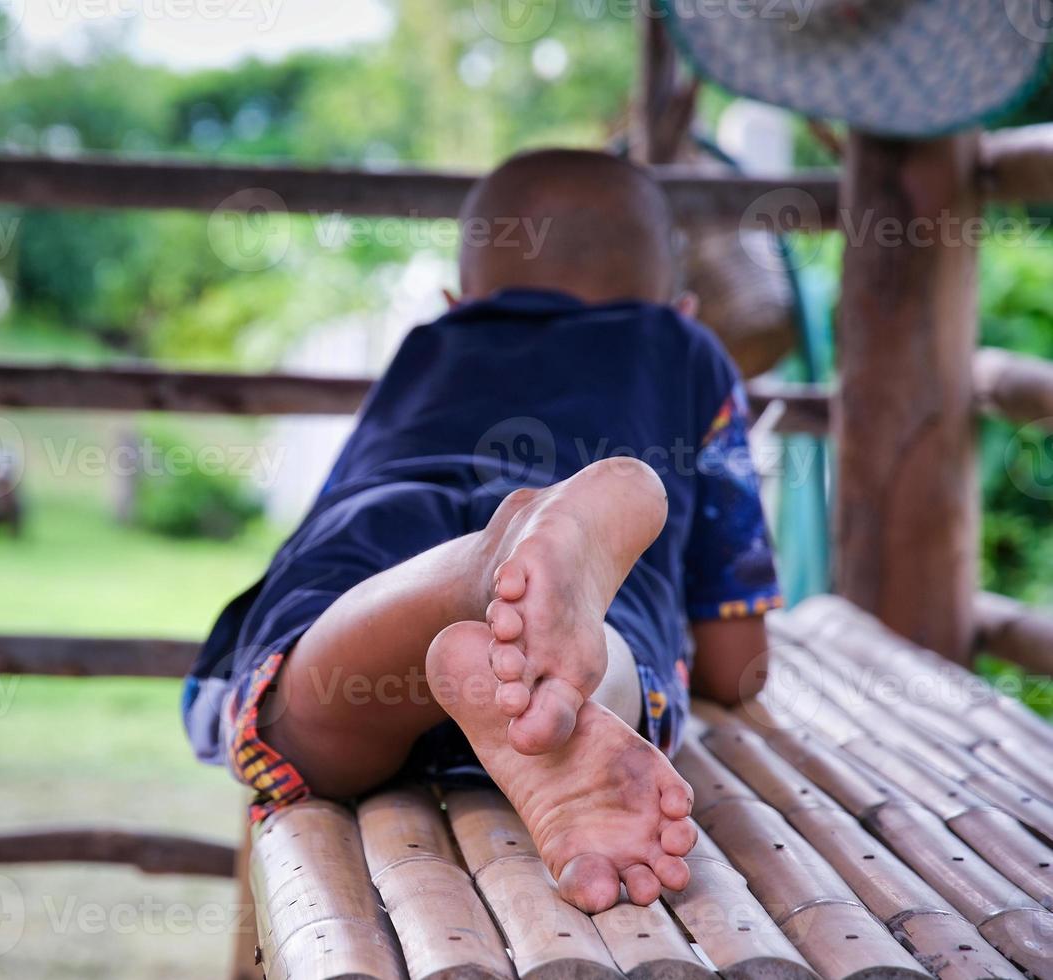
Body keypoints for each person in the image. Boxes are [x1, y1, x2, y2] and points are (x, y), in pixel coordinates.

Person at [182, 148, 782, 912]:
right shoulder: (686, 353)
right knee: (609, 648)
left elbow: (339, 500)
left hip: (382, 551)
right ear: (681, 308)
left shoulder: (431, 344)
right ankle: (565, 695)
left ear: (457, 296)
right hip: (580, 597)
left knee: (308, 714)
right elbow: (736, 662)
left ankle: (471, 574)